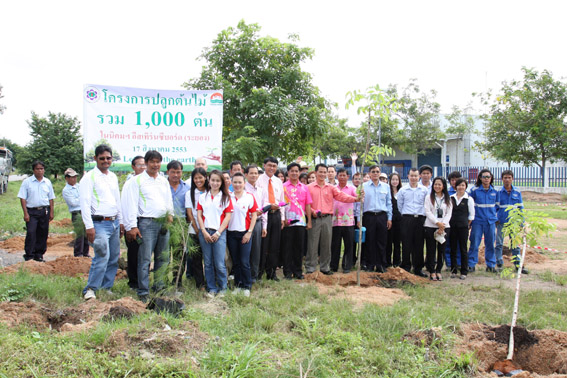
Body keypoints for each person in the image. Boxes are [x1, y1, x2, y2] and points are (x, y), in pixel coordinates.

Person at [122, 150, 174, 302]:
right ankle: (143, 291)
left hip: (163, 222)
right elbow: (131, 204)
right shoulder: (136, 181)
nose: (155, 165)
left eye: (158, 162)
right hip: (146, 223)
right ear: (146, 163)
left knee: (163, 258)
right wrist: (132, 226)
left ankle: (160, 286)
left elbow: (168, 199)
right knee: (144, 259)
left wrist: (170, 215)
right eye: (152, 161)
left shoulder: (163, 180)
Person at [79, 145, 123, 300]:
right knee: (101, 256)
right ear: (95, 159)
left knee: (113, 258)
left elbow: (117, 200)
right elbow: (84, 203)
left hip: (114, 222)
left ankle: (106, 287)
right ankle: (90, 289)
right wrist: (89, 226)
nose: (106, 161)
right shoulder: (89, 177)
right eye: (102, 158)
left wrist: (121, 221)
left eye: (108, 158)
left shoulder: (112, 177)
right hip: (98, 224)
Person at [306, 164, 360, 274]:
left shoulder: (331, 187)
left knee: (326, 244)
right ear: (315, 173)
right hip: (315, 218)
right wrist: (312, 212)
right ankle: (310, 268)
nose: (322, 174)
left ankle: (325, 267)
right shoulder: (309, 187)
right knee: (313, 244)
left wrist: (356, 199)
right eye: (320, 172)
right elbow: (306, 203)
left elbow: (342, 196)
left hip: (327, 218)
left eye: (324, 172)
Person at [197, 170, 233, 297]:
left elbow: (228, 217)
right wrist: (203, 231)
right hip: (205, 232)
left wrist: (218, 233)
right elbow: (199, 216)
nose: (215, 183)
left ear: (221, 182)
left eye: (218, 181)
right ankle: (211, 288)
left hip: (220, 233)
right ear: (209, 180)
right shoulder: (203, 197)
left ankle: (223, 288)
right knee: (207, 262)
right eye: (213, 180)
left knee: (219, 262)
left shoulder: (226, 197)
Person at [227, 172, 258, 296]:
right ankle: (238, 284)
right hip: (231, 233)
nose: (237, 184)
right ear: (231, 183)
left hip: (245, 233)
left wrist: (249, 232)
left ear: (244, 183)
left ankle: (247, 285)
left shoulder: (249, 196)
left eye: (240, 182)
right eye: (235, 182)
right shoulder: (227, 196)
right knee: (236, 261)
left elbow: (254, 214)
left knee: (245, 261)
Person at [18, 160, 55, 262]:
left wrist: (51, 211)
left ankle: (39, 255)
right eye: (37, 169)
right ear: (33, 170)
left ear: (44, 170)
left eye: (41, 169)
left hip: (44, 211)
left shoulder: (47, 182)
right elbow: (22, 198)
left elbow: (51, 198)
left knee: (43, 233)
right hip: (32, 212)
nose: (40, 171)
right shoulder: (27, 182)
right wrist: (25, 213)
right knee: (31, 232)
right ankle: (29, 255)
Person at [257, 157, 285, 281]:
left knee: (275, 245)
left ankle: (271, 272)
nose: (271, 168)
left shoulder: (278, 181)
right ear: (264, 166)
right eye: (269, 165)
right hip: (264, 215)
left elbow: (282, 201)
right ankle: (259, 271)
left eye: (274, 166)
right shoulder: (258, 180)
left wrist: (283, 218)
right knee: (263, 245)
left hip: (276, 215)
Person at [282, 162, 312, 279]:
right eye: (292, 171)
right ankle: (288, 272)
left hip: (301, 222)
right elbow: (281, 204)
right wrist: (283, 219)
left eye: (296, 171)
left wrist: (309, 221)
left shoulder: (304, 188)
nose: (294, 173)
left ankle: (298, 272)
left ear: (299, 172)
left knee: (299, 248)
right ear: (288, 172)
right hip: (287, 223)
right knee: (287, 248)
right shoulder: (283, 187)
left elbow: (308, 205)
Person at [398, 168, 429, 277]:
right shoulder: (403, 190)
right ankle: (406, 266)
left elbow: (426, 204)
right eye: (411, 175)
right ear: (408, 176)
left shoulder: (424, 190)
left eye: (416, 176)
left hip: (420, 219)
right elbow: (400, 206)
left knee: (419, 244)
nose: (414, 178)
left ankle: (418, 268)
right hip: (407, 219)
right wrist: (407, 216)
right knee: (406, 244)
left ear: (419, 176)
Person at [495, 170, 527, 274]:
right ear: (502, 179)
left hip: (514, 223)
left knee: (515, 244)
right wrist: (496, 219)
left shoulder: (517, 192)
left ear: (512, 179)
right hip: (501, 222)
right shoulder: (498, 192)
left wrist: (521, 222)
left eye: (509, 177)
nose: (507, 180)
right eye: (505, 178)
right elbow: (495, 207)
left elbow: (520, 208)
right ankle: (499, 264)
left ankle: (518, 265)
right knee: (499, 244)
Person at [361, 165, 392, 273]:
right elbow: (359, 203)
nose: (375, 173)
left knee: (382, 241)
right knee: (370, 241)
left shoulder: (385, 187)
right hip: (368, 216)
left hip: (382, 216)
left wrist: (389, 218)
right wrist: (359, 218)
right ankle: (370, 264)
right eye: (373, 171)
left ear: (380, 173)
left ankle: (381, 265)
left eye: (377, 171)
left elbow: (389, 203)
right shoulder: (363, 186)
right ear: (369, 173)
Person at [121, 156, 146, 289]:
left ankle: (143, 280)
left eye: (144, 165)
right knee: (134, 253)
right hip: (132, 223)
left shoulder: (148, 182)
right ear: (133, 167)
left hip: (145, 223)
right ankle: (134, 282)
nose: (143, 168)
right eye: (140, 165)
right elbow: (125, 205)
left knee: (144, 254)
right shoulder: (130, 183)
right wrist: (129, 226)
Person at [468, 169, 498, 273]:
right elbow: (469, 206)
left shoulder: (495, 191)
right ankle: (471, 265)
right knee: (474, 244)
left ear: (491, 178)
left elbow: (497, 206)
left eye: (488, 177)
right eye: (484, 177)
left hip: (490, 222)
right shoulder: (474, 190)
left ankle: (491, 265)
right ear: (480, 178)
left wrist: (495, 218)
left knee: (490, 244)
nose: (486, 179)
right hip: (477, 222)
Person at [424, 177, 453, 281]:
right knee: (431, 249)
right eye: (435, 184)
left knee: (441, 250)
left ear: (443, 186)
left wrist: (442, 225)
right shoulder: (429, 197)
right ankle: (431, 271)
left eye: (439, 184)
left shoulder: (447, 198)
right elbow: (427, 212)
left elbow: (449, 213)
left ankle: (439, 270)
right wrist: (437, 223)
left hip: (444, 228)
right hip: (430, 226)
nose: (437, 186)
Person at [167, 160, 190, 288]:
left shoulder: (187, 188)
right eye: (173, 172)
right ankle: (163, 282)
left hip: (181, 224)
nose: (176, 175)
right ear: (168, 172)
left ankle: (177, 281)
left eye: (178, 172)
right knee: (164, 253)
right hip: (165, 222)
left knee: (180, 254)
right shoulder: (162, 186)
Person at [330, 168, 357, 273]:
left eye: (344, 175)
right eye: (340, 175)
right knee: (335, 245)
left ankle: (347, 266)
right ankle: (333, 266)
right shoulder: (333, 188)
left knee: (349, 245)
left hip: (348, 221)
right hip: (335, 221)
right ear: (337, 176)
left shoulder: (352, 188)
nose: (342, 177)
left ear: (348, 177)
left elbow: (359, 198)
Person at [184, 168, 207, 289]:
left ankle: (211, 281)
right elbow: (189, 213)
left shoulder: (210, 191)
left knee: (208, 258)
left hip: (209, 230)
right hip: (195, 231)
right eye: (195, 178)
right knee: (196, 259)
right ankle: (200, 283)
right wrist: (197, 230)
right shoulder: (189, 193)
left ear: (205, 177)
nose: (198, 180)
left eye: (200, 177)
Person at [244, 164, 266, 282]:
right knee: (245, 250)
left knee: (256, 250)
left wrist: (264, 226)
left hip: (257, 223)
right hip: (244, 223)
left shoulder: (261, 190)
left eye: (256, 173)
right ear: (246, 175)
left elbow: (264, 209)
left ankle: (254, 275)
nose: (254, 175)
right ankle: (245, 275)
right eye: (251, 173)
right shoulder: (242, 189)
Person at [449, 178, 474, 279]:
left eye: (463, 185)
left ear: (466, 187)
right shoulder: (451, 198)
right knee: (453, 248)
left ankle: (464, 271)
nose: (461, 187)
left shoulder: (469, 199)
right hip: (452, 227)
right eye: (459, 185)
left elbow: (471, 215)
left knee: (463, 249)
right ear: (456, 187)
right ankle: (453, 270)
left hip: (463, 227)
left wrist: (466, 224)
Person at [62, 168, 89, 258]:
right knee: (80, 234)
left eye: (75, 177)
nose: (74, 179)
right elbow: (73, 202)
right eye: (72, 177)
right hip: (77, 213)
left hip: (84, 211)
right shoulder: (66, 190)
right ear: (67, 178)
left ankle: (85, 253)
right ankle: (78, 253)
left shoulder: (79, 186)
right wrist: (82, 198)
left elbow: (86, 196)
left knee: (86, 232)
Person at [445, 171, 463, 270]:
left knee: (460, 244)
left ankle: (459, 263)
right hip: (449, 223)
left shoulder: (465, 194)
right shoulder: (447, 193)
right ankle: (449, 263)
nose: (454, 182)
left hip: (460, 223)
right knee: (448, 244)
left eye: (456, 179)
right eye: (452, 180)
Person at [386, 172, 402, 267]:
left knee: (397, 242)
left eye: (396, 179)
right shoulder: (387, 191)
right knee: (388, 242)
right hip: (389, 220)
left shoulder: (402, 191)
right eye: (393, 180)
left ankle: (397, 262)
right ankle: (387, 262)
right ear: (390, 181)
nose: (395, 181)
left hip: (399, 220)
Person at [351, 172, 362, 267]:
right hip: (351, 217)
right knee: (352, 240)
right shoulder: (351, 189)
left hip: (360, 217)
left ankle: (360, 259)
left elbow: (359, 206)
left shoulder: (361, 190)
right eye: (355, 178)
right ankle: (352, 259)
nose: (357, 180)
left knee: (361, 239)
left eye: (359, 179)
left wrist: (359, 219)